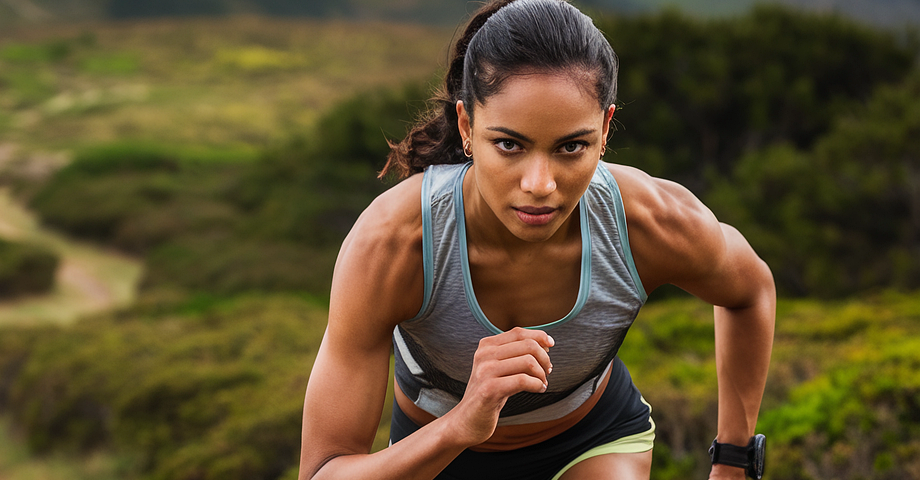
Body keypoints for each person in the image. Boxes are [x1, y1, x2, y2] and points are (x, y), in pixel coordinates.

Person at [298, 0, 776, 479]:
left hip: (593, 442)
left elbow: (750, 291)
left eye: (571, 146)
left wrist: (734, 464)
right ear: (467, 128)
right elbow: (323, 471)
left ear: (605, 130)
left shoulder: (647, 222)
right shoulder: (395, 244)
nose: (540, 184)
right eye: (509, 144)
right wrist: (461, 423)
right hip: (438, 453)